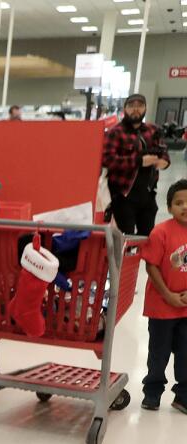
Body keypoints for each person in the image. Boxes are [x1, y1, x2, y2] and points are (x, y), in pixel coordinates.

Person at [138, 179, 187, 412]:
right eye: (179, 203)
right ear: (169, 207)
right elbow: (151, 266)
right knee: (158, 352)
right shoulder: (160, 232)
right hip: (161, 306)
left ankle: (183, 396)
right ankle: (152, 392)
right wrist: (168, 295)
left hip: (186, 307)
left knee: (186, 354)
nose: (185, 207)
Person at [102, 93, 170, 237]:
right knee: (123, 238)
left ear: (145, 108)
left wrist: (164, 162)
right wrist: (138, 161)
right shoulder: (115, 132)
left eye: (140, 106)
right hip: (123, 195)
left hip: (148, 195)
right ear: (125, 108)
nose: (135, 109)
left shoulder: (153, 130)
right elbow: (107, 160)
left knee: (147, 238)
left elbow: (164, 152)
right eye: (131, 106)